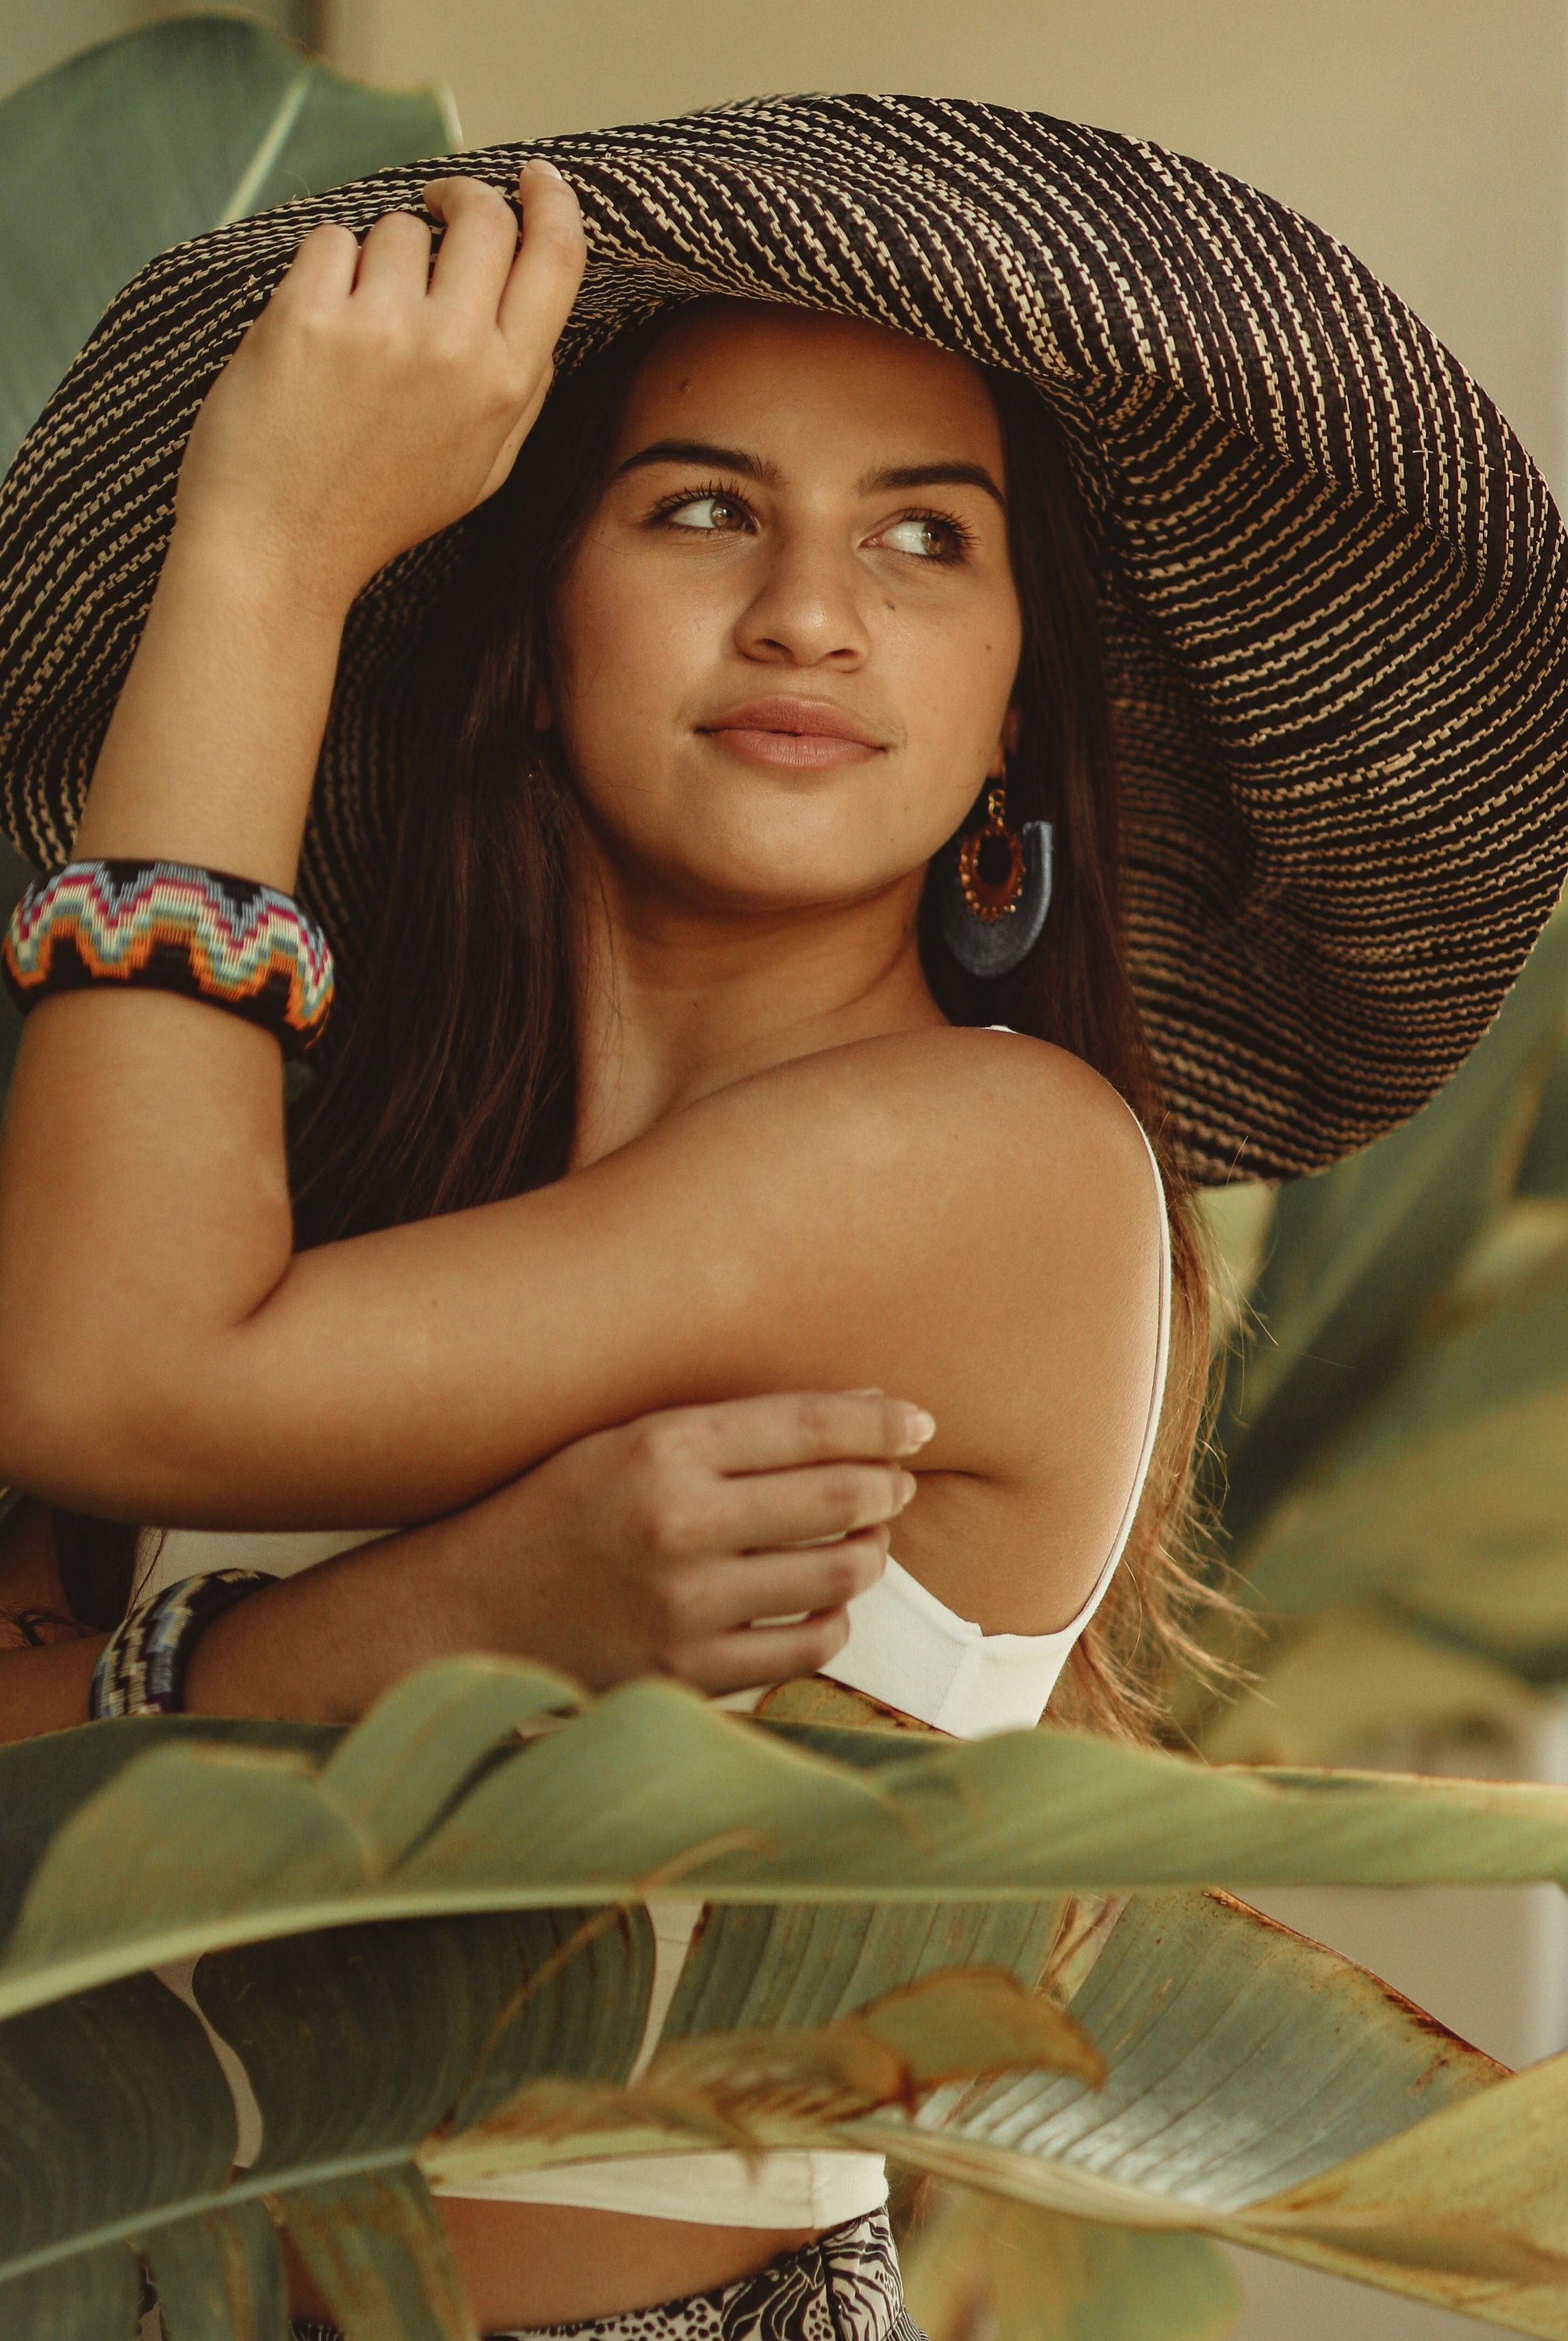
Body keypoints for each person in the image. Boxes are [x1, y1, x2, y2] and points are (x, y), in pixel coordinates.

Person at [0, 91, 1561, 2341]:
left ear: (1016, 705)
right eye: (700, 507)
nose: (808, 613)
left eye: (923, 540)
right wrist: (429, 1621)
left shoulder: (991, 1165)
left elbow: (108, 1377)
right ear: (534, 624)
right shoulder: (295, 1200)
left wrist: (259, 549)